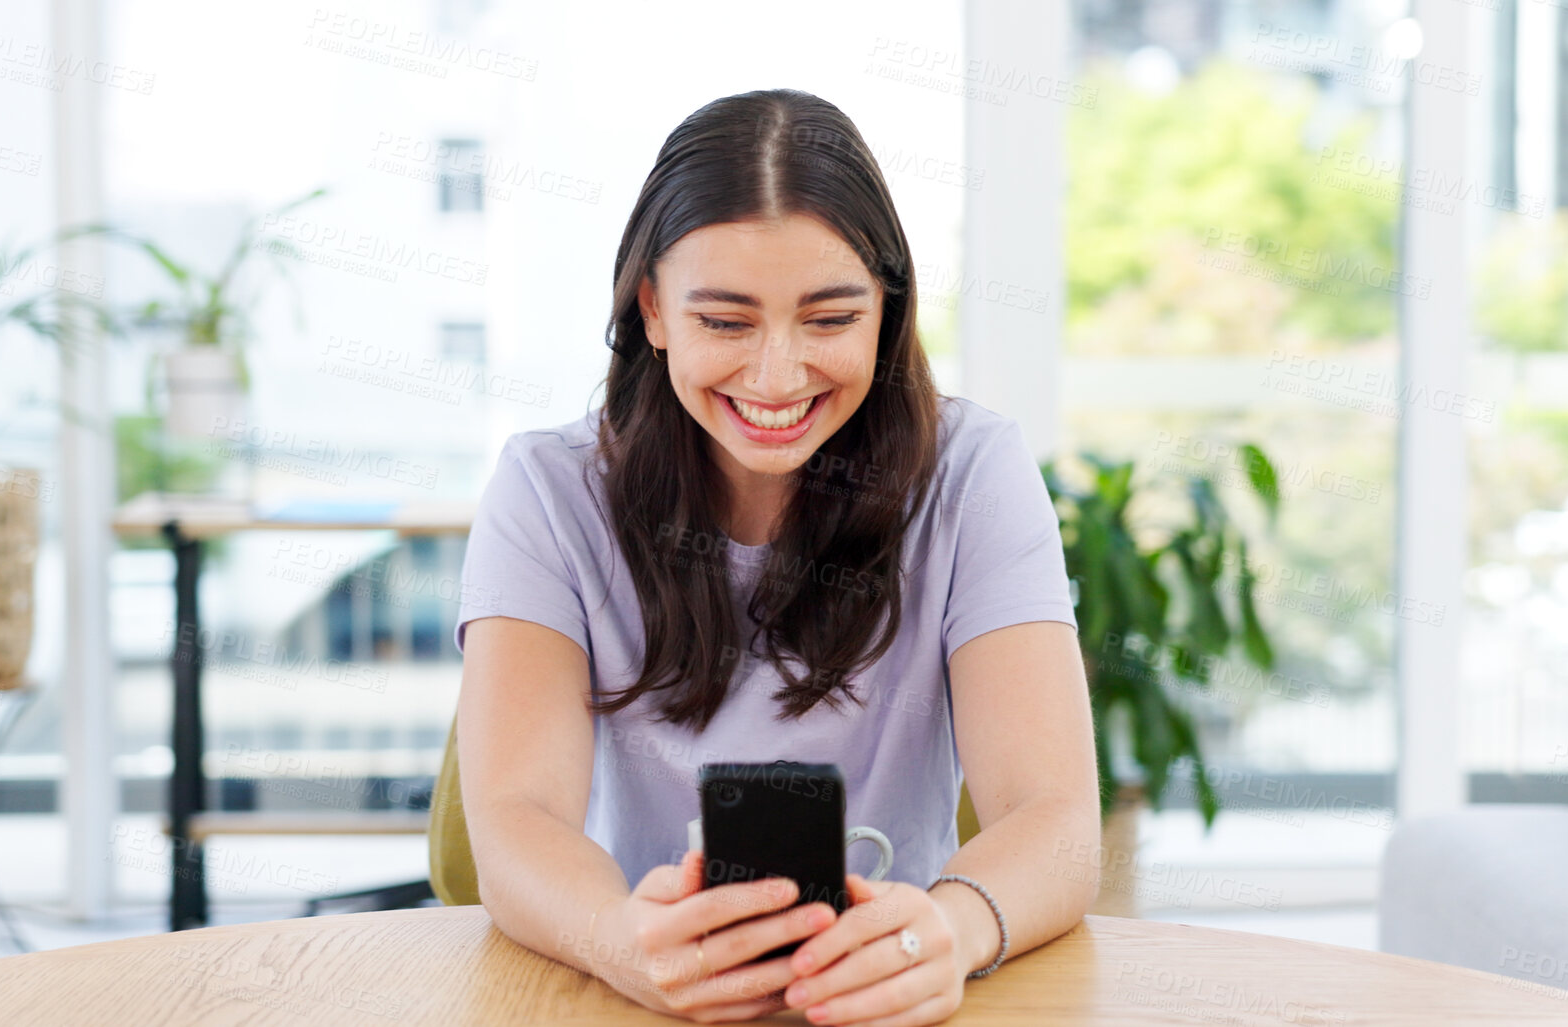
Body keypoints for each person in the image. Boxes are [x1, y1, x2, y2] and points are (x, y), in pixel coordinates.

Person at [454, 87, 1099, 1026]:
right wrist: (615, 939)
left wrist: (950, 933)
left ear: (886, 311)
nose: (775, 375)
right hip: (643, 999)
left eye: (831, 319)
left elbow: (1055, 819)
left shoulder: (974, 475)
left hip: (889, 1002)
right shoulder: (547, 492)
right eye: (725, 321)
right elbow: (516, 819)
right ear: (653, 308)